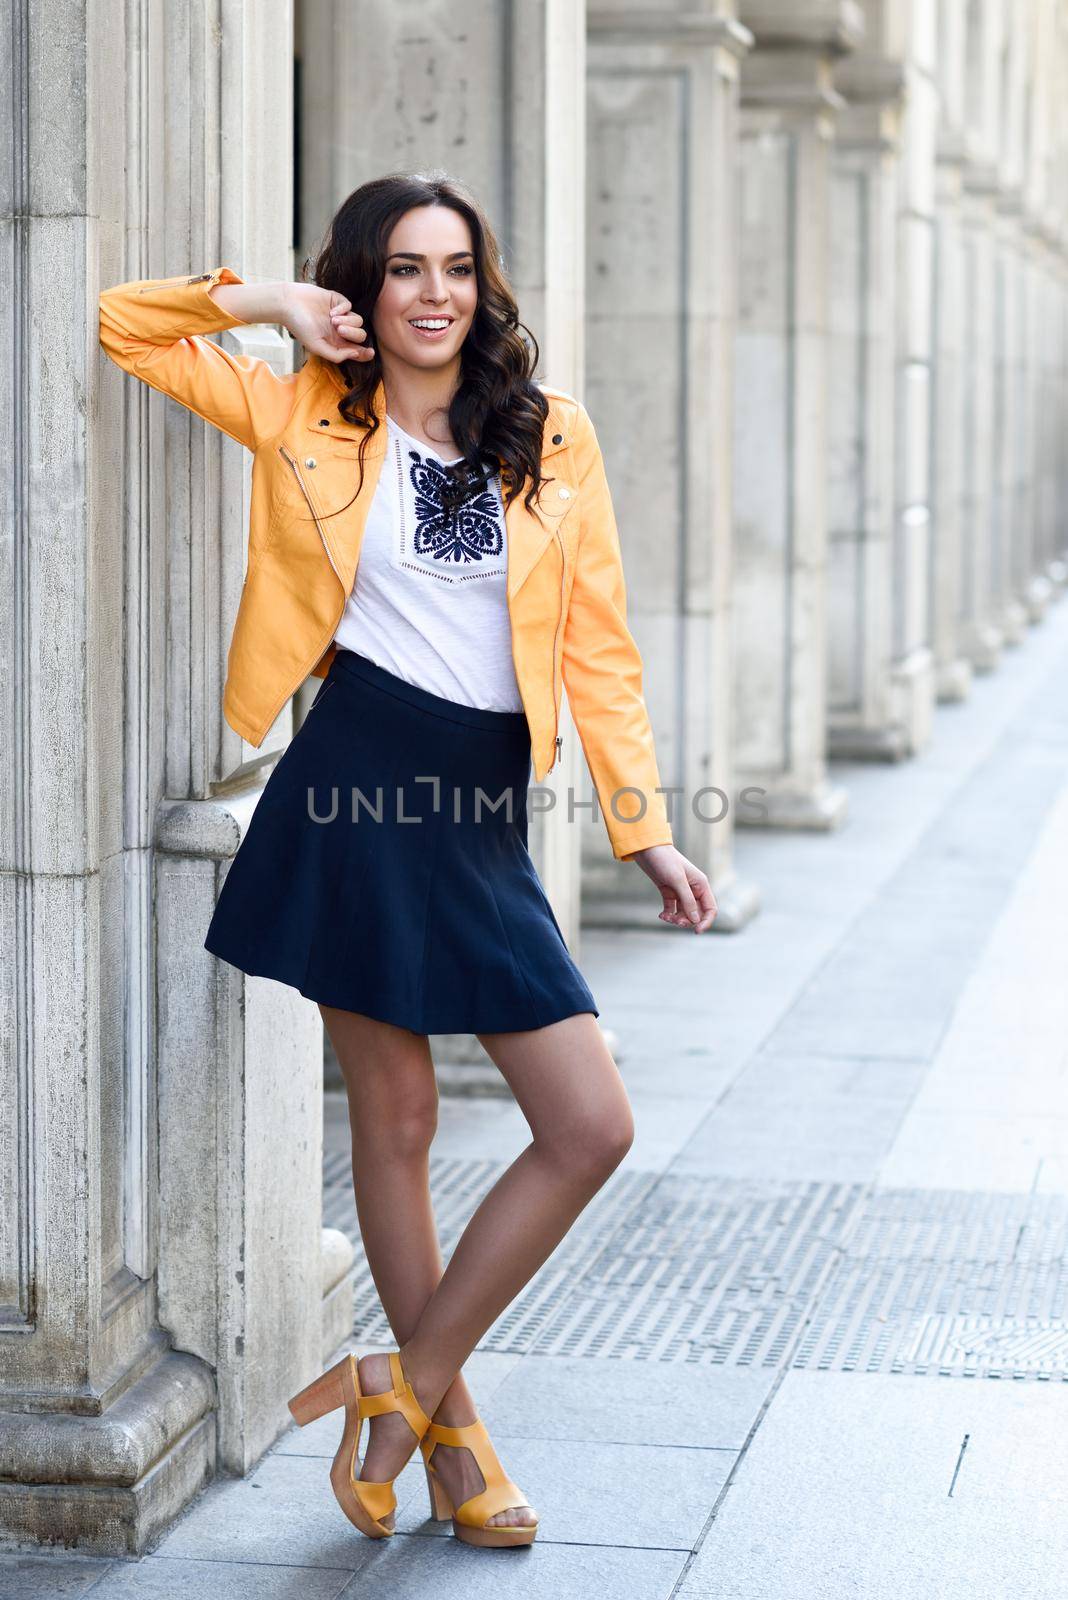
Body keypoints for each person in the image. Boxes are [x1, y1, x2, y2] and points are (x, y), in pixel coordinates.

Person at [99, 170, 717, 1550]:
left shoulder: (551, 440)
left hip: (481, 804)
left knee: (588, 1124)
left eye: (454, 267)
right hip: (358, 777)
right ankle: (455, 1443)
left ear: (482, 286)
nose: (432, 293)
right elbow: (122, 325)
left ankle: (403, 1380)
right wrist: (272, 309)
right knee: (395, 1123)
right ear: (364, 291)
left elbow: (597, 652)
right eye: (401, 270)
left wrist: (648, 826)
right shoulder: (308, 411)